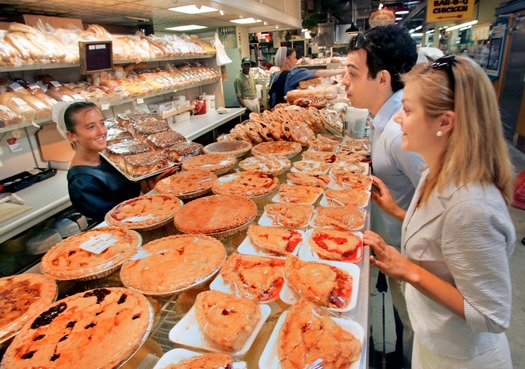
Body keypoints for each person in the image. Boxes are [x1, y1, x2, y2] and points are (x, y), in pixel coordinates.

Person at [364, 55, 515, 369]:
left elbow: (492, 315)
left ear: (445, 122)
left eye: (407, 110)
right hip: (432, 341)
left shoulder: (473, 206)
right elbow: (446, 240)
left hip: (461, 358)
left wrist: (409, 270)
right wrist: (397, 211)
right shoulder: (438, 169)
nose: (396, 119)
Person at [342, 25, 423, 367]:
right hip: (395, 248)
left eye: (352, 73)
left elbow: (439, 202)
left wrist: (400, 216)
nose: (343, 82)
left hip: (412, 257)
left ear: (382, 79)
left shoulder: (396, 131)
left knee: (416, 328)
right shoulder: (382, 120)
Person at [52, 101, 175, 222]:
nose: (101, 131)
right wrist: (149, 194)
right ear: (72, 136)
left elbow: (131, 192)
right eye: (91, 127)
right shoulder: (81, 182)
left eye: (102, 123)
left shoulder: (108, 158)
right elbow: (116, 219)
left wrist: (149, 184)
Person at [268, 46, 345, 108]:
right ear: (286, 59)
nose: (296, 60)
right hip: (288, 110)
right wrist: (342, 71)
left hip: (276, 109)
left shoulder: (274, 75)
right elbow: (318, 73)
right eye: (294, 58)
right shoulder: (293, 74)